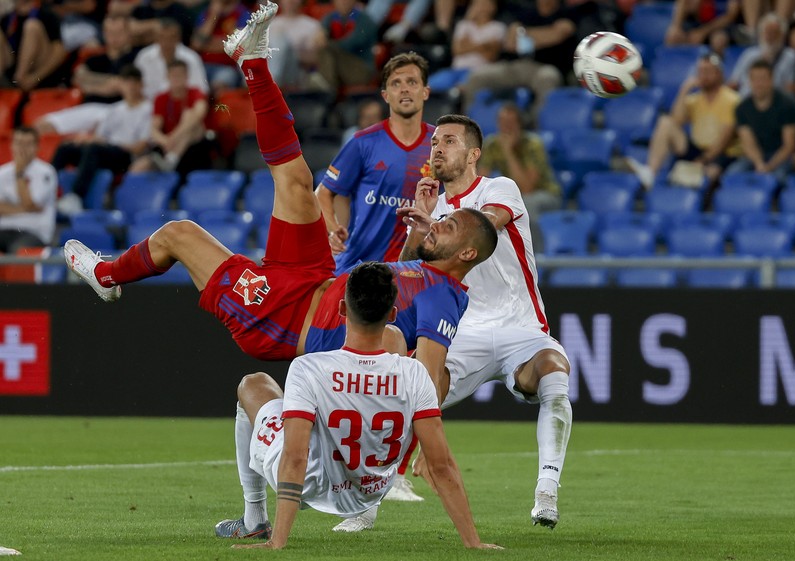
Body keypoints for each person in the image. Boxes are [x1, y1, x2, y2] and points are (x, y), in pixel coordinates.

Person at [63, 1, 498, 394]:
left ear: (467, 251)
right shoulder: (425, 265)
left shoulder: (446, 299)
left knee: (177, 234)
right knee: (295, 179)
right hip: (314, 274)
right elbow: (380, 250)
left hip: (279, 316)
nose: (442, 221)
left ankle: (106, 275)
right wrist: (409, 229)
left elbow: (421, 382)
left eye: (450, 225)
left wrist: (409, 454)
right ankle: (253, 63)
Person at [215, 262, 501, 550]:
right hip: (371, 489)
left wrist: (278, 542)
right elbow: (441, 466)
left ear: (341, 308)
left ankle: (254, 520)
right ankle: (362, 508)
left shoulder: (308, 367)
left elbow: (295, 457)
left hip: (310, 483)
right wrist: (473, 542)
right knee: (393, 345)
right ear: (392, 314)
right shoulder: (415, 373)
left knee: (253, 385)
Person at [392, 113, 572, 530]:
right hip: (461, 330)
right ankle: (368, 501)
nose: (438, 148)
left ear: (473, 154)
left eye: (449, 141)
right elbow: (406, 277)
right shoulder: (430, 208)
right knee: (412, 389)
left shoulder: (499, 188)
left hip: (520, 327)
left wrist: (434, 227)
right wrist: (416, 231)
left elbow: (484, 228)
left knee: (552, 375)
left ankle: (546, 490)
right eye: (435, 141)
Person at [315, 51, 433, 274]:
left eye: (412, 82)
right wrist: (332, 230)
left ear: (425, 91)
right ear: (385, 95)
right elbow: (322, 193)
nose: (405, 88)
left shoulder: (439, 145)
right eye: (396, 83)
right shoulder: (363, 143)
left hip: (416, 269)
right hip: (359, 267)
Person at [626, 52, 741, 190]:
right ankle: (650, 172)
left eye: (708, 71)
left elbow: (725, 139)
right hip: (697, 148)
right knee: (665, 122)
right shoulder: (695, 99)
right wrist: (684, 89)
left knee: (712, 173)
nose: (703, 76)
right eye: (701, 71)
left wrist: (703, 160)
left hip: (722, 153)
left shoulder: (731, 99)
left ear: (719, 74)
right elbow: (676, 120)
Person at [52, 64, 152, 213]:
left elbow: (140, 146)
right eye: (126, 83)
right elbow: (99, 136)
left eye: (134, 83)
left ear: (141, 85)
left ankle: (76, 197)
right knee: (66, 149)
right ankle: (48, 191)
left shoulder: (148, 110)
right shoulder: (116, 109)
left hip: (126, 155)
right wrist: (86, 139)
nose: (130, 87)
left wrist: (105, 143)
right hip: (105, 150)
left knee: (94, 149)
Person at [462, 0, 577, 116]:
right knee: (476, 77)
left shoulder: (566, 14)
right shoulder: (525, 13)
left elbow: (559, 34)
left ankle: (537, 127)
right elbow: (510, 43)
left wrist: (524, 34)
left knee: (549, 78)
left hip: (543, 67)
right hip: (514, 66)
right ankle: (470, 125)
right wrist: (546, 34)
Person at [35, 15, 139, 137]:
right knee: (43, 124)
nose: (114, 38)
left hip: (118, 109)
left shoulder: (135, 58)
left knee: (95, 134)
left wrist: (92, 82)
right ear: (104, 33)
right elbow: (78, 79)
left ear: (128, 33)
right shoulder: (94, 59)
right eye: (110, 33)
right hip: (89, 108)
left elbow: (120, 86)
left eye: (119, 33)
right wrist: (108, 84)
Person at [477, 101, 561, 237]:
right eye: (502, 123)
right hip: (515, 195)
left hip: (545, 194)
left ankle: (533, 251)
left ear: (520, 125)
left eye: (510, 123)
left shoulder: (533, 144)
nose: (506, 128)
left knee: (525, 203)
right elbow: (481, 182)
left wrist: (508, 152)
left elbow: (527, 188)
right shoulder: (492, 144)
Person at [726, 58, 795, 183]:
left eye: (762, 79)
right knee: (732, 175)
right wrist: (759, 164)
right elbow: (748, 142)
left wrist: (770, 166)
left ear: (771, 80)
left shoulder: (788, 105)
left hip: (781, 156)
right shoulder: (742, 108)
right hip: (755, 156)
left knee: (778, 179)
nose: (758, 84)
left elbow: (789, 146)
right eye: (755, 79)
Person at [129, 59, 211, 174]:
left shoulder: (195, 93)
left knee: (189, 115)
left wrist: (174, 137)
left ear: (187, 76)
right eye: (173, 75)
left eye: (180, 75)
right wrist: (165, 141)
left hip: (193, 142)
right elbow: (154, 128)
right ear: (167, 76)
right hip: (168, 144)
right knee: (138, 167)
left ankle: (172, 159)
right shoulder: (161, 98)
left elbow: (199, 113)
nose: (177, 78)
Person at [0, 126, 57, 253]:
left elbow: (29, 203)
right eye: (18, 143)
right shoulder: (2, 172)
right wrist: (24, 209)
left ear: (37, 147)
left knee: (20, 253)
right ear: (11, 145)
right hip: (4, 229)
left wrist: (19, 172)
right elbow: (29, 207)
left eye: (27, 144)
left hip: (33, 232)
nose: (22, 148)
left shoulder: (46, 172)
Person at [309, 0, 379, 95]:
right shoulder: (331, 17)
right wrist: (321, 36)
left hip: (361, 68)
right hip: (338, 67)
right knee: (323, 49)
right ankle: (326, 85)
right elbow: (320, 35)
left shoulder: (365, 20)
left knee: (326, 50)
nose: (343, 2)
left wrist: (326, 43)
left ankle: (327, 87)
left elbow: (350, 44)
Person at [133, 18, 209, 101]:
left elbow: (202, 90)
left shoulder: (191, 58)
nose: (166, 42)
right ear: (156, 38)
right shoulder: (144, 57)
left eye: (171, 38)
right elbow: (134, 87)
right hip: (148, 107)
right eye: (162, 37)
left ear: (178, 38)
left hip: (182, 106)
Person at [0, 0, 69, 91]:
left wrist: (34, 77)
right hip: (11, 69)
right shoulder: (9, 17)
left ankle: (20, 77)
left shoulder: (45, 12)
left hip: (38, 72)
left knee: (32, 27)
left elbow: (60, 51)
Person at [728, 12, 795, 98]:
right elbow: (734, 83)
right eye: (767, 32)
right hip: (745, 102)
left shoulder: (790, 57)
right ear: (761, 34)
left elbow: (790, 89)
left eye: (774, 33)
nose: (770, 37)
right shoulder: (749, 54)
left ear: (782, 35)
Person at [190, 0, 250, 93]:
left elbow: (236, 45)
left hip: (228, 67)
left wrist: (207, 44)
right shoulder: (207, 13)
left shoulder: (243, 13)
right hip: (202, 65)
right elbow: (196, 44)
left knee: (220, 85)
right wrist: (213, 15)